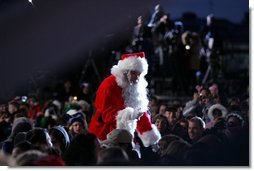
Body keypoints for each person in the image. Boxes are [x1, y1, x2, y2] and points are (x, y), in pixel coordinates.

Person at [88, 52, 161, 147]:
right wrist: (130, 114)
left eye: (140, 74)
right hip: (105, 134)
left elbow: (141, 113)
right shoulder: (109, 85)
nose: (137, 78)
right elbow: (107, 115)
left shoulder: (137, 86)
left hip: (126, 135)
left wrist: (150, 138)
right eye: (134, 73)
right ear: (125, 71)